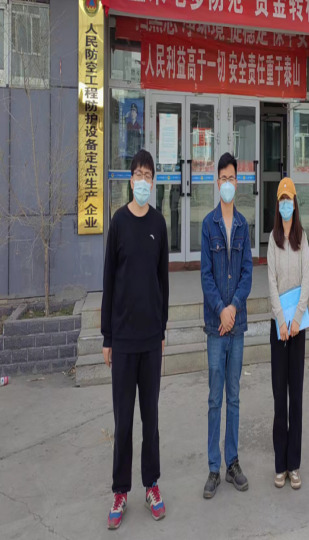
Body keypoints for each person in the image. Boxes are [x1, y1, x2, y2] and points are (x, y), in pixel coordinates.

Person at [101, 149, 169, 530]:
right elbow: (109, 281)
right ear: (131, 180)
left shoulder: (159, 223)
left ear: (154, 182)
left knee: (150, 418)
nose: (143, 181)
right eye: (138, 175)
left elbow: (163, 281)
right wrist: (107, 337)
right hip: (124, 340)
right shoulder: (118, 223)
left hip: (150, 338)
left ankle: (151, 485)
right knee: (123, 420)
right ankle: (120, 490)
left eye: (148, 176)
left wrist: (162, 329)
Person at [201, 152, 253, 499]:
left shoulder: (244, 226)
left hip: (237, 324)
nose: (228, 183)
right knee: (214, 399)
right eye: (223, 178)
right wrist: (221, 310)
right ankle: (213, 467)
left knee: (233, 396)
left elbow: (248, 273)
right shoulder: (208, 225)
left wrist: (233, 308)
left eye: (232, 178)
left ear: (238, 181)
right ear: (216, 182)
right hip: (215, 327)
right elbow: (206, 276)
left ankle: (232, 462)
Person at [268, 178, 309, 490]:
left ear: (295, 203)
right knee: (279, 399)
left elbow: (307, 281)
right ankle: (279, 465)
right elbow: (270, 281)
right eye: (281, 199)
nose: (285, 204)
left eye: (289, 199)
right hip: (279, 328)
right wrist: (281, 321)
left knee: (296, 397)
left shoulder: (302, 238)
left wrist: (295, 320)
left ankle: (294, 465)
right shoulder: (272, 239)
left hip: (298, 327)